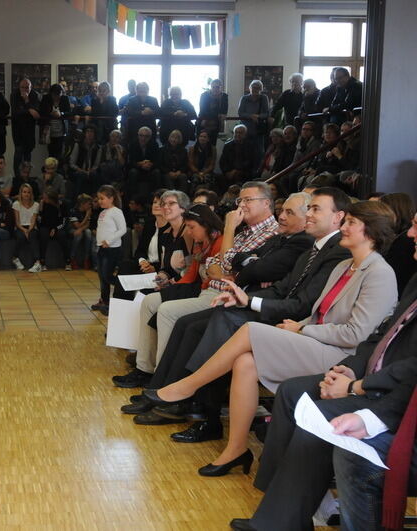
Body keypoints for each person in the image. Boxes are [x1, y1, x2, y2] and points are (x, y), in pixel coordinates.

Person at [146, 200, 399, 477]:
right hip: (316, 342)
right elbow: (318, 314)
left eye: (351, 223)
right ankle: (236, 450)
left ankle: (187, 386)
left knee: (250, 330)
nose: (343, 227)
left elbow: (356, 335)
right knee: (244, 362)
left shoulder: (379, 273)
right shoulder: (344, 267)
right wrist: (297, 326)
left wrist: (301, 330)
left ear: (371, 232)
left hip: (341, 357)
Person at [229, 214, 417, 531]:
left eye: (416, 225)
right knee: (290, 391)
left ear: (369, 231)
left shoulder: (381, 273)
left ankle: (280, 515)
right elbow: (378, 338)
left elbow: (386, 352)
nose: (410, 233)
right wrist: (350, 370)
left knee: (315, 410)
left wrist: (357, 385)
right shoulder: (409, 278)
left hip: (390, 391)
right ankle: (281, 505)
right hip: (364, 371)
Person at [130, 189, 344, 430]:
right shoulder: (305, 246)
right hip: (259, 300)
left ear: (338, 217)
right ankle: (166, 390)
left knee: (219, 321)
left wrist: (246, 283)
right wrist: (246, 294)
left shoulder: (314, 246)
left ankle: (195, 405)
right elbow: (237, 267)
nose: (281, 216)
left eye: (290, 211)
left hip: (292, 320)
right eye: (283, 210)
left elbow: (265, 277)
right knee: (190, 324)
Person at [113, 203, 225, 387]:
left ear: (205, 224)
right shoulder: (200, 242)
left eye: (191, 227)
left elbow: (206, 276)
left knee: (165, 309)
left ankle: (161, 375)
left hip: (209, 292)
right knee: (149, 301)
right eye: (187, 227)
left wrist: (174, 287)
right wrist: (172, 288)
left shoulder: (219, 242)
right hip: (197, 288)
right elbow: (191, 274)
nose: (189, 231)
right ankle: (144, 369)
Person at [90, 184, 127, 315]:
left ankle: (125, 288)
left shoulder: (116, 211)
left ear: (111, 198)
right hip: (102, 249)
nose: (99, 201)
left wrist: (109, 240)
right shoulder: (103, 212)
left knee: (107, 275)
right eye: (98, 198)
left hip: (112, 249)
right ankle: (104, 301)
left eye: (102, 198)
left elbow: (123, 229)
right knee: (101, 276)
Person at [380, 193, 417, 297]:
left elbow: (395, 277)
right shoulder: (400, 237)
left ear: (396, 212)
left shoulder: (405, 241)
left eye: (383, 211)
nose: (378, 216)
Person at [10, 77, 41, 177]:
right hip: (17, 130)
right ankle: (18, 178)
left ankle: (26, 177)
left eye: (27, 87)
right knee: (18, 153)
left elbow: (37, 113)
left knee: (28, 153)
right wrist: (29, 110)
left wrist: (27, 100)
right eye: (22, 87)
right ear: (19, 87)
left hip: (29, 130)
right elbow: (15, 112)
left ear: (31, 87)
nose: (25, 90)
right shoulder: (14, 94)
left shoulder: (35, 95)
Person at [12, 183, 42, 273]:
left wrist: (29, 230)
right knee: (21, 237)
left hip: (31, 226)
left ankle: (37, 263)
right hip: (20, 226)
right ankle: (15, 258)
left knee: (32, 236)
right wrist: (24, 230)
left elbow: (33, 220)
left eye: (28, 192)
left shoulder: (36, 204)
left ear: (31, 194)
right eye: (24, 192)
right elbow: (17, 222)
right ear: (21, 193)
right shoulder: (16, 204)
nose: (26, 194)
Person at [38, 188, 69, 271]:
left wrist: (55, 228)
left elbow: (64, 221)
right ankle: (42, 262)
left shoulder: (62, 204)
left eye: (45, 198)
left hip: (58, 226)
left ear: (52, 199)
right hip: (46, 226)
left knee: (62, 235)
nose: (43, 199)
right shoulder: (43, 204)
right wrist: (40, 211)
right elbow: (41, 222)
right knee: (43, 234)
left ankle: (67, 261)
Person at [238, 80, 270, 159]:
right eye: (253, 87)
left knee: (259, 152)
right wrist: (251, 116)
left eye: (258, 88)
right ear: (250, 88)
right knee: (245, 151)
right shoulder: (244, 98)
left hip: (258, 130)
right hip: (246, 129)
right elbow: (240, 113)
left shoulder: (264, 98)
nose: (255, 89)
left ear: (261, 89)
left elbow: (267, 113)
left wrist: (258, 116)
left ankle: (257, 170)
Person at [68, 125, 101, 201]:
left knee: (95, 175)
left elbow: (97, 164)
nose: (90, 134)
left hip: (91, 171)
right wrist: (81, 170)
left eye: (92, 132)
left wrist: (90, 171)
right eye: (88, 131)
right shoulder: (78, 145)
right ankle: (78, 200)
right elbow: (72, 163)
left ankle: (94, 200)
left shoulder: (98, 147)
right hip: (78, 170)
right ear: (85, 133)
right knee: (81, 175)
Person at [218, 124, 256, 191]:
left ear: (245, 134)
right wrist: (227, 172)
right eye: (236, 132)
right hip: (229, 171)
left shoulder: (250, 146)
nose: (238, 134)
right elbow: (222, 161)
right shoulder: (227, 145)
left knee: (238, 176)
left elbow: (250, 161)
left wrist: (236, 170)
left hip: (244, 171)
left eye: (240, 133)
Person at [127, 126, 160, 199]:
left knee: (157, 172)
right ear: (138, 135)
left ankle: (155, 196)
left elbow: (158, 161)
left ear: (150, 137)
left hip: (150, 168)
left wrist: (151, 164)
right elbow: (130, 162)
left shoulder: (154, 144)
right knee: (133, 172)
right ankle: (133, 197)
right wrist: (140, 164)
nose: (143, 138)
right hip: (137, 168)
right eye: (141, 135)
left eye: (146, 136)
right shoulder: (133, 144)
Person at [40, 83, 71, 161]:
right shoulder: (46, 98)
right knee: (50, 152)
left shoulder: (65, 98)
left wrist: (61, 113)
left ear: (62, 93)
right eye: (54, 95)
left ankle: (57, 171)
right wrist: (50, 113)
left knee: (59, 153)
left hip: (61, 130)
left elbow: (69, 113)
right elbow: (41, 111)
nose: (57, 97)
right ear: (51, 93)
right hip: (49, 130)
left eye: (59, 94)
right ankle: (50, 169)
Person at [197, 79, 228, 146]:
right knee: (200, 144)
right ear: (211, 87)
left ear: (221, 87)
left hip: (215, 124)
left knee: (212, 144)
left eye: (217, 87)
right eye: (213, 87)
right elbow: (203, 109)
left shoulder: (224, 96)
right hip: (203, 122)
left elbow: (224, 111)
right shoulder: (204, 95)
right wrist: (217, 115)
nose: (215, 89)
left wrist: (221, 115)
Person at [68, 194, 95, 269]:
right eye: (88, 204)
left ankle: (86, 259)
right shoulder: (73, 211)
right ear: (82, 204)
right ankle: (72, 258)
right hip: (71, 229)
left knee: (88, 232)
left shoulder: (88, 211)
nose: (90, 206)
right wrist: (87, 216)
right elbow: (77, 226)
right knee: (79, 235)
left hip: (82, 229)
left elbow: (87, 225)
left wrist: (81, 229)